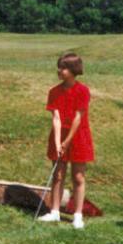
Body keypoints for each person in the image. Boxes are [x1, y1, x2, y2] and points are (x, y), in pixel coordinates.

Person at [38, 53, 94, 229]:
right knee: (58, 175)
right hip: (59, 135)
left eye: (63, 68)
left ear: (73, 70)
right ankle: (54, 212)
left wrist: (68, 141)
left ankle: (78, 215)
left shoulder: (83, 91)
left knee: (78, 177)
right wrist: (57, 142)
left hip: (78, 136)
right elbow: (56, 118)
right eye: (59, 67)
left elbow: (79, 117)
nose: (59, 71)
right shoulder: (54, 92)